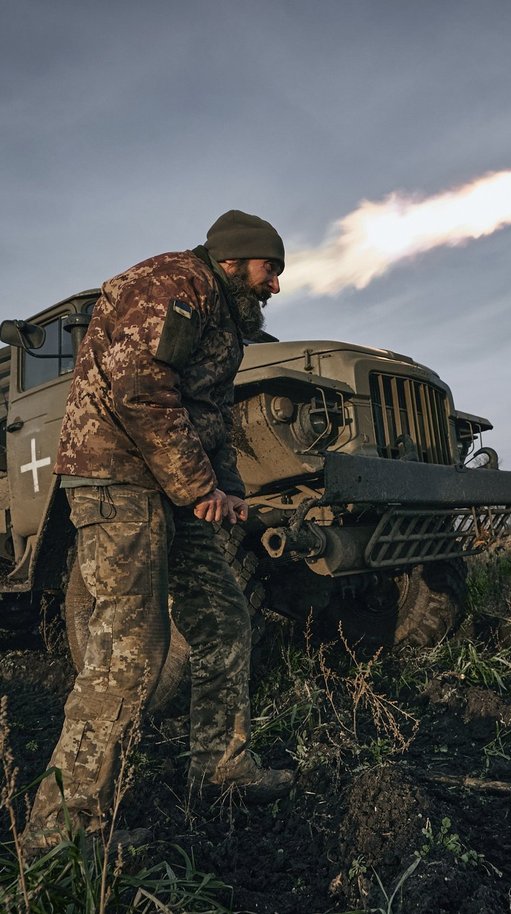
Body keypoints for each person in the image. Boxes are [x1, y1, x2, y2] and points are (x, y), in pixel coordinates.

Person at [23, 210, 295, 850]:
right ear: (233, 260)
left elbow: (212, 414)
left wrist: (226, 492)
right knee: (130, 649)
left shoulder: (226, 317)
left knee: (225, 618)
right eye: (270, 269)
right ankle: (59, 832)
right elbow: (139, 390)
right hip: (118, 478)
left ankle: (220, 766)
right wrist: (199, 487)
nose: (276, 285)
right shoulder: (173, 284)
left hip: (173, 486)